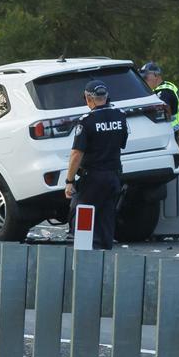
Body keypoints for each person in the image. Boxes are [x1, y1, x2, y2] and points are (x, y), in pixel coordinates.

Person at [64, 80, 129, 250]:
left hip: (92, 177)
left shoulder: (86, 121)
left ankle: (85, 255)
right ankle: (105, 256)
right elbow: (122, 143)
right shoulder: (120, 115)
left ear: (88, 98)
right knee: (106, 218)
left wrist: (69, 181)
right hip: (114, 176)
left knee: (83, 214)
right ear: (106, 97)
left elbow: (77, 153)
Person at [138, 62, 179, 135]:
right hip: (170, 130)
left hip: (167, 132)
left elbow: (162, 111)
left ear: (156, 75)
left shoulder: (164, 92)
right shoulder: (167, 86)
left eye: (146, 77)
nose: (144, 81)